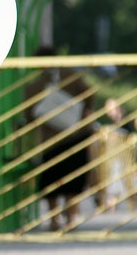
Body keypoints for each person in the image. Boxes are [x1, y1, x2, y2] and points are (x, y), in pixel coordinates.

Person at [25, 45, 94, 230]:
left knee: (51, 179)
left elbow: (28, 113)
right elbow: (89, 94)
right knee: (74, 179)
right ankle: (71, 217)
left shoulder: (36, 85)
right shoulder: (71, 74)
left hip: (50, 140)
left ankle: (54, 220)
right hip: (76, 135)